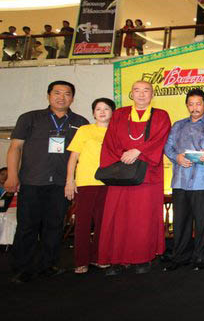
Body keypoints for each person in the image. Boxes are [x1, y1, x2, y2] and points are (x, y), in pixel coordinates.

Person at [4, 81, 89, 284]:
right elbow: (15, 148)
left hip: (61, 184)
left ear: (72, 98)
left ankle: (48, 265)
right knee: (27, 226)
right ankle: (22, 268)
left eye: (67, 94)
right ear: (48, 95)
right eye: (57, 93)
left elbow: (85, 155)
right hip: (33, 181)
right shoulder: (30, 118)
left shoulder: (80, 122)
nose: (62, 97)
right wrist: (12, 175)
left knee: (55, 226)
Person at [97, 80, 171, 275]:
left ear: (152, 94)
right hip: (121, 172)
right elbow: (110, 141)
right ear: (131, 94)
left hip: (147, 174)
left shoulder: (161, 115)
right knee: (118, 217)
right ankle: (116, 259)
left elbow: (160, 138)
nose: (141, 94)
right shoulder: (120, 114)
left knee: (143, 217)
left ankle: (143, 258)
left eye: (146, 90)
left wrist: (138, 151)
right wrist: (124, 155)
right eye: (137, 90)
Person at [163, 89, 204, 271]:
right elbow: (168, 147)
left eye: (198, 104)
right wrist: (177, 157)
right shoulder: (178, 125)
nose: (195, 107)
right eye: (191, 104)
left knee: (203, 222)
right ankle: (180, 257)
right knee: (180, 221)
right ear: (187, 105)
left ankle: (200, 258)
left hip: (203, 180)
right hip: (180, 179)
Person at [65, 98, 115, 274]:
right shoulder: (84, 130)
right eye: (98, 109)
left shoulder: (116, 132)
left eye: (106, 109)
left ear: (113, 112)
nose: (102, 112)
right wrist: (69, 180)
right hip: (86, 182)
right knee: (83, 222)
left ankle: (98, 257)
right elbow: (73, 157)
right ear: (93, 113)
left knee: (103, 223)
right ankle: (81, 261)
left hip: (109, 182)